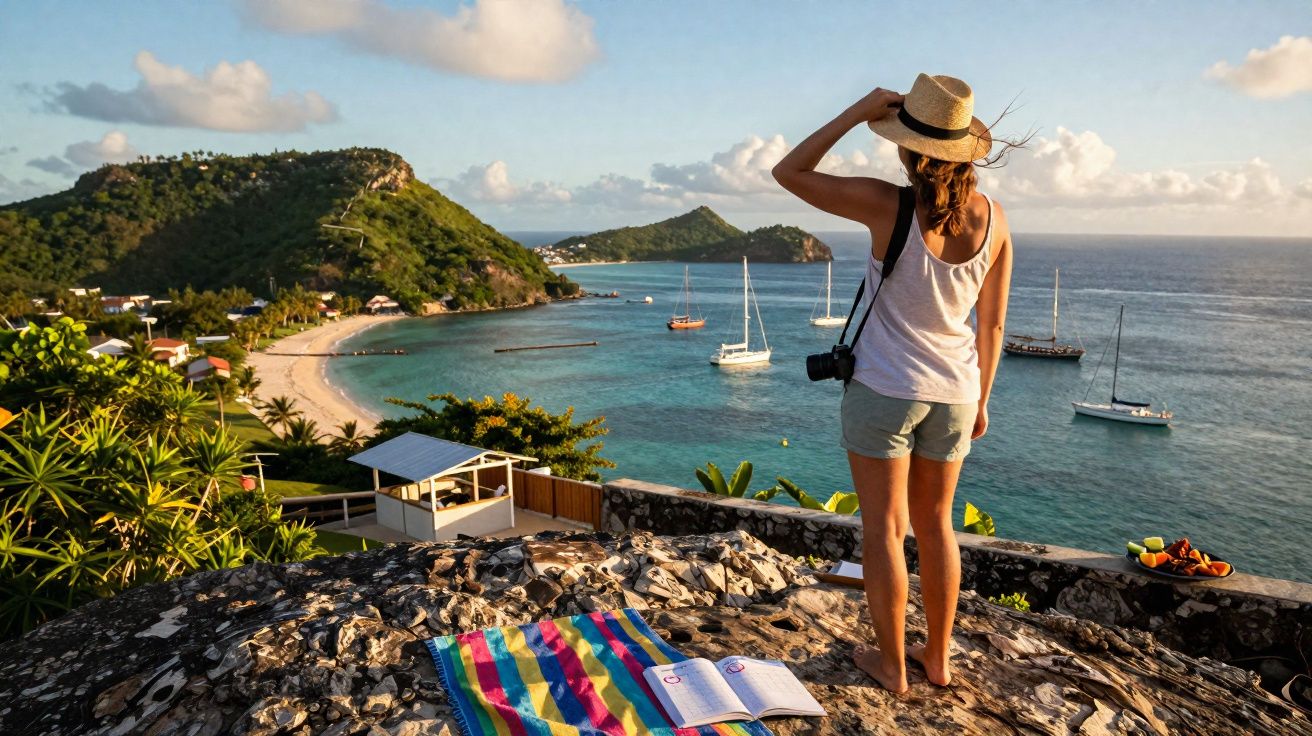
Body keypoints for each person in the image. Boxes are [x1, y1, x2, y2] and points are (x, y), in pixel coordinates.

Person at [773, 74, 1018, 693]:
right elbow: (992, 325)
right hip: (957, 391)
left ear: (908, 149)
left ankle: (892, 667)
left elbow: (789, 172)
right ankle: (937, 659)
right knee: (937, 526)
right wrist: (983, 400)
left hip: (884, 389)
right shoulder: (994, 220)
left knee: (885, 529)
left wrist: (856, 111)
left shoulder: (887, 205)